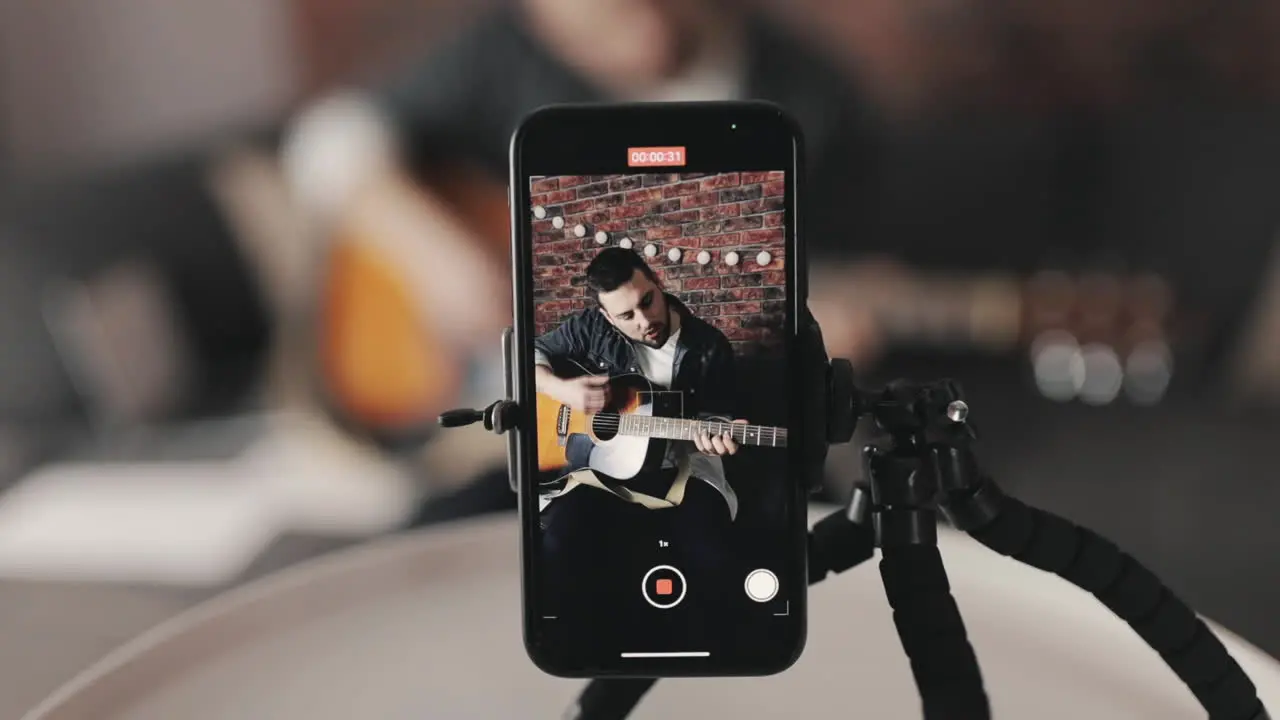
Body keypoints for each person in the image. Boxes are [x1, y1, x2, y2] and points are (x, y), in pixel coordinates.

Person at [532, 247, 750, 625]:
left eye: (647, 301)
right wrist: (559, 389)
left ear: (658, 284)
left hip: (681, 466)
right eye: (626, 316)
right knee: (558, 538)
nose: (645, 319)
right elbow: (528, 353)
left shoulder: (708, 345)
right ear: (606, 316)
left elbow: (717, 415)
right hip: (599, 471)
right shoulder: (590, 328)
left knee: (710, 550)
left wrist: (719, 430)